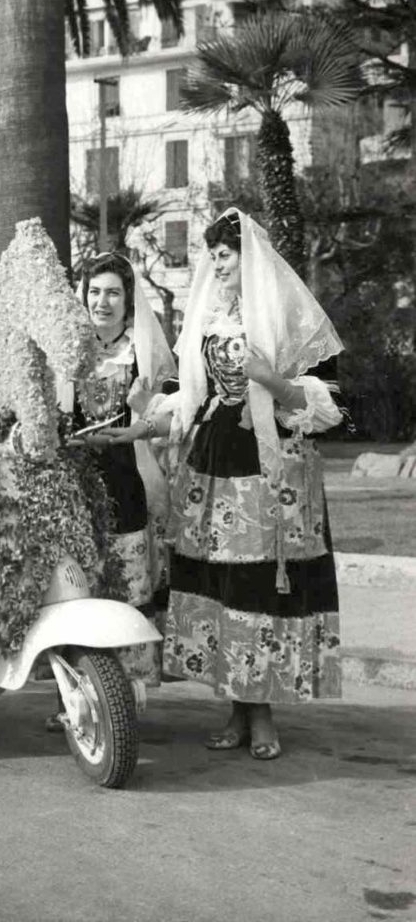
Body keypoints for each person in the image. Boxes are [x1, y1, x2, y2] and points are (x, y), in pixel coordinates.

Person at [161, 208, 344, 760]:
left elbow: (332, 408)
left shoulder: (288, 318)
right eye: (212, 255)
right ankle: (237, 709)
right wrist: (146, 421)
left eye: (226, 255)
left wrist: (271, 380)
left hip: (272, 465)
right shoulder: (210, 317)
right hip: (216, 459)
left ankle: (260, 713)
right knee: (224, 584)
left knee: (260, 584)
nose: (216, 265)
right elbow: (189, 394)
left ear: (250, 258)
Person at [50, 252, 175, 730]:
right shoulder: (68, 351)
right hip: (76, 483)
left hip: (126, 478)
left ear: (128, 301)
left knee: (125, 584)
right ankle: (72, 698)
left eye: (113, 293)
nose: (102, 302)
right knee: (76, 587)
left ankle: (126, 698)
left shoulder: (144, 354)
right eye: (94, 292)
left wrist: (142, 419)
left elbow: (169, 417)